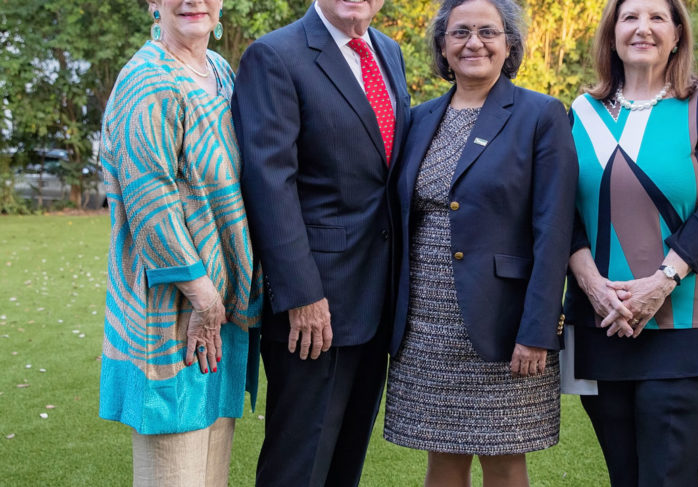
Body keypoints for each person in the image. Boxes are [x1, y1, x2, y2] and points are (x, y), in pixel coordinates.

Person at [382, 0, 578, 485]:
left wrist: (538, 330)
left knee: (505, 457)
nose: (474, 42)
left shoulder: (541, 115)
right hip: (426, 324)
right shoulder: (419, 118)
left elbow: (554, 231)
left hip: (504, 323)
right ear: (443, 47)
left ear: (508, 43)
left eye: (487, 32)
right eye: (460, 32)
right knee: (442, 455)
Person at [563, 0, 698, 484]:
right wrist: (592, 286)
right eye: (629, 17)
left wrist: (663, 281)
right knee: (624, 476)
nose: (642, 28)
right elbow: (558, 213)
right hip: (601, 321)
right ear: (612, 33)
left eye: (656, 18)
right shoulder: (578, 113)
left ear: (678, 35)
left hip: (688, 320)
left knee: (671, 476)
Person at [231, 0, 410, 484]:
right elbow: (270, 184)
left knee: (343, 465)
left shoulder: (388, 52)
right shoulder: (275, 56)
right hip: (314, 308)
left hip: (378, 300)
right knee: (299, 465)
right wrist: (303, 296)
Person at [98, 0, 262, 485]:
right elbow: (149, 195)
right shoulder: (147, 78)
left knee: (212, 465)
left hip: (220, 300)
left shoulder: (220, 70)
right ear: (153, 3)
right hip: (174, 302)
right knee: (175, 465)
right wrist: (203, 295)